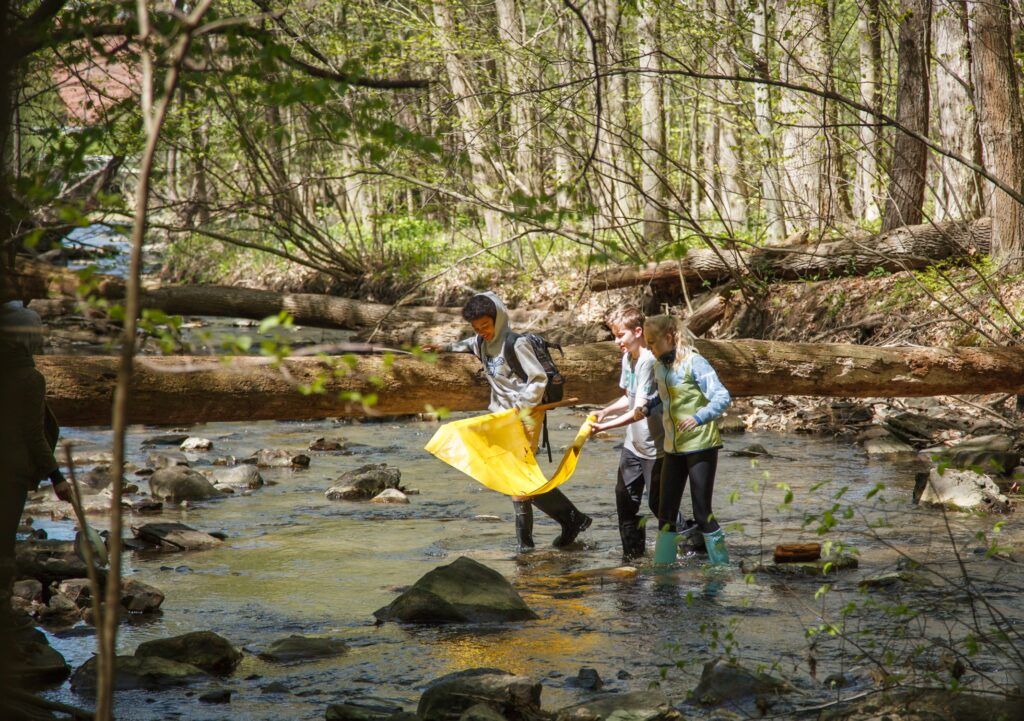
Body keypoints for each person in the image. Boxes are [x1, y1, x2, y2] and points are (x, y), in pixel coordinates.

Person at [432, 292, 592, 552]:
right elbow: (467, 344)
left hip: (523, 416)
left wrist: (521, 409)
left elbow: (538, 378)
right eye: (477, 328)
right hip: (499, 417)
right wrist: (444, 348)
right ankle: (573, 519)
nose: (482, 332)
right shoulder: (481, 343)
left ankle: (527, 548)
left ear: (499, 318)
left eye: (486, 326)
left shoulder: (515, 344)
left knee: (518, 481)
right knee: (514, 478)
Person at [0, 301, 71, 695]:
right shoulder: (29, 378)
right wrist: (58, 477)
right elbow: (34, 436)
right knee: (5, 552)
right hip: (8, 475)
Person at [644, 314, 732, 566]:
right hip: (672, 448)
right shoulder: (659, 366)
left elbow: (722, 397)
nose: (650, 348)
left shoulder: (695, 362)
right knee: (665, 513)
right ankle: (663, 572)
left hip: (701, 445)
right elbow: (665, 397)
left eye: (652, 342)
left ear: (669, 338)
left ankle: (721, 568)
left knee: (702, 513)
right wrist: (649, 405)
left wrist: (699, 417)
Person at [589, 306, 665, 561]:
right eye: (614, 335)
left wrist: (604, 428)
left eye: (620, 335)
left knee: (659, 505)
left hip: (656, 448)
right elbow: (628, 398)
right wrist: (605, 411)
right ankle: (632, 557)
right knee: (624, 500)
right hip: (633, 446)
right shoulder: (627, 358)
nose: (617, 341)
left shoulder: (648, 361)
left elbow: (638, 411)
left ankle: (692, 540)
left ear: (638, 331)